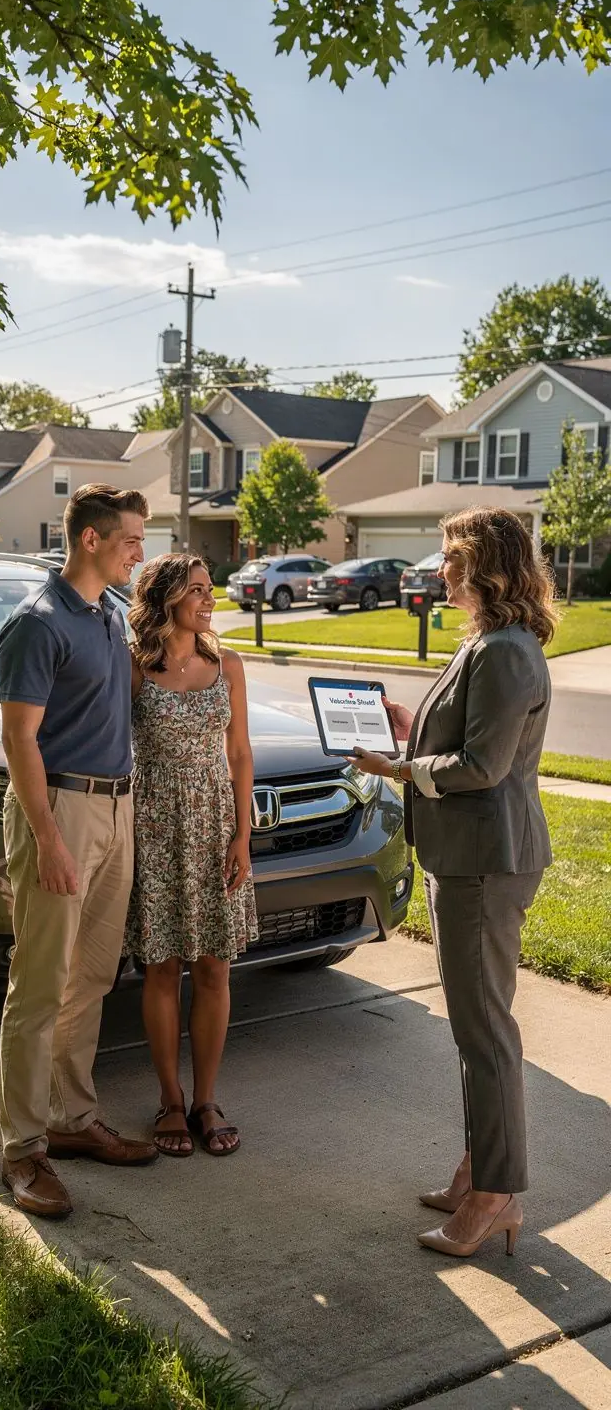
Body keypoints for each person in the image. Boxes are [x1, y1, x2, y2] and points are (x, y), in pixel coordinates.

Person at [348, 507, 557, 1259]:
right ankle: (477, 1172)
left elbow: (482, 768)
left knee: (486, 1034)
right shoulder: (489, 644)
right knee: (477, 1031)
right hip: (469, 855)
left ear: (484, 564)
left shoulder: (504, 649)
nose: (439, 569)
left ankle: (496, 1198)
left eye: (449, 557)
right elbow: (469, 740)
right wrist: (413, 729)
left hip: (484, 861)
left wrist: (399, 769)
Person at [0, 485, 158, 1218]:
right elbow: (19, 740)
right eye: (130, 540)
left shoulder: (111, 615)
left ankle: (71, 1119)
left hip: (117, 807)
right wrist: (49, 838)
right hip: (60, 808)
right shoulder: (37, 624)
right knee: (37, 987)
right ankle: (23, 1150)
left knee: (90, 977)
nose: (139, 552)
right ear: (90, 540)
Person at [124, 554, 258, 1158]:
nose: (209, 600)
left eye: (211, 590)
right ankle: (170, 1100)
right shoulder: (133, 668)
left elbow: (241, 758)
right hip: (153, 826)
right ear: (167, 597)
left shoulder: (227, 665)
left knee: (214, 966)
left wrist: (241, 836)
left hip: (214, 827)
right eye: (197, 591)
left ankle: (206, 1100)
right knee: (161, 964)